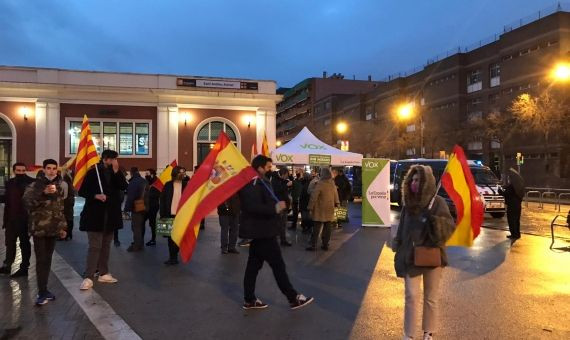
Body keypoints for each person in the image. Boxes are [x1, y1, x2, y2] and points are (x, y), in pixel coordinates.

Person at [239, 155, 314, 310]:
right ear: (259, 167)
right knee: (278, 265)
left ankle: (249, 299)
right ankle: (293, 298)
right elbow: (252, 206)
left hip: (262, 231)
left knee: (253, 267)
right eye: (267, 167)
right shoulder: (252, 182)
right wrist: (274, 208)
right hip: (263, 231)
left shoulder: (260, 181)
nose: (270, 169)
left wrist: (281, 204)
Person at [392, 165, 455, 340]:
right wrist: (398, 246)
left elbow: (448, 228)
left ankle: (428, 332)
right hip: (411, 257)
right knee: (411, 296)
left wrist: (433, 221)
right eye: (412, 179)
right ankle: (409, 334)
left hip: (432, 255)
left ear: (426, 182)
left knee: (430, 297)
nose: (414, 183)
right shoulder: (408, 205)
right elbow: (401, 229)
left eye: (418, 180)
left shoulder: (438, 203)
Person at [79, 150, 128, 291]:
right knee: (95, 247)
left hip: (111, 216)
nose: (115, 162)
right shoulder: (93, 172)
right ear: (106, 159)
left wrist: (117, 171)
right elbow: (82, 191)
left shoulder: (115, 172)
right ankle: (88, 275)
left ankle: (104, 272)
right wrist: (95, 196)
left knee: (106, 246)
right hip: (95, 216)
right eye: (113, 159)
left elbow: (124, 186)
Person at [22, 159, 67, 305]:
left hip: (53, 229)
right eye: (49, 168)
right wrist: (43, 193)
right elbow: (27, 203)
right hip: (40, 229)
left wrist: (62, 228)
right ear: (44, 169)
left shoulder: (59, 187)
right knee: (41, 260)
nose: (52, 171)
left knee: (47, 260)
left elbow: (60, 209)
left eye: (54, 168)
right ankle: (41, 292)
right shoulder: (34, 185)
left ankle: (45, 289)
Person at [0, 162, 35, 277]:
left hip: (25, 219)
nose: (21, 173)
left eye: (23, 170)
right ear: (14, 171)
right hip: (11, 219)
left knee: (24, 244)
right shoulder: (10, 183)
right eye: (18, 171)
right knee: (9, 243)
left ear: (26, 171)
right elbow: (7, 200)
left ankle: (24, 267)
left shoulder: (31, 182)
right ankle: (7, 265)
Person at [160, 166, 188, 265]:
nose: (183, 174)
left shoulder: (186, 185)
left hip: (181, 216)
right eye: (181, 172)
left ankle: (175, 255)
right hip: (170, 215)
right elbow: (162, 200)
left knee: (178, 237)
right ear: (175, 173)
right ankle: (172, 257)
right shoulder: (168, 185)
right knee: (170, 238)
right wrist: (162, 214)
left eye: (184, 173)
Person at [306, 168, 339, 251]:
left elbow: (314, 196)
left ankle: (313, 245)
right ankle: (325, 244)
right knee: (328, 228)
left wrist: (310, 207)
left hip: (320, 209)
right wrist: (337, 203)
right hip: (330, 208)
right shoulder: (332, 183)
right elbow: (336, 194)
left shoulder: (320, 183)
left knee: (316, 228)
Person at [124, 167, 148, 252]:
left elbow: (130, 197)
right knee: (142, 226)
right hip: (146, 207)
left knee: (136, 227)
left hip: (137, 207)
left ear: (131, 173)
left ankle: (136, 246)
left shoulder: (133, 182)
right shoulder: (144, 180)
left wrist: (126, 209)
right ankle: (140, 243)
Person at [499, 168, 525, 241]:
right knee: (516, 220)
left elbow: (506, 194)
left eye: (509, 178)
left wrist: (500, 191)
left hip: (512, 206)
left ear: (511, 179)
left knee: (511, 220)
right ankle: (517, 234)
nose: (508, 179)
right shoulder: (517, 187)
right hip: (517, 206)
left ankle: (513, 234)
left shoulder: (511, 186)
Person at [270, 168, 292, 246]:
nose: (286, 177)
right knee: (278, 222)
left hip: (284, 202)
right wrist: (286, 185)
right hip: (278, 203)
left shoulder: (283, 180)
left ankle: (283, 240)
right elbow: (276, 190)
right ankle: (274, 240)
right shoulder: (274, 179)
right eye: (286, 175)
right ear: (283, 174)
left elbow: (284, 190)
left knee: (283, 222)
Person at [143, 168, 160, 246]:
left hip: (153, 206)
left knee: (152, 223)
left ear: (152, 174)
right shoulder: (147, 182)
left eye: (147, 174)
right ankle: (140, 238)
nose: (146, 175)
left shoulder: (157, 183)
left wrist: (147, 194)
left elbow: (157, 194)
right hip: (146, 205)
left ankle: (153, 239)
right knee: (142, 222)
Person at [60, 168, 75, 241]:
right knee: (70, 218)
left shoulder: (64, 182)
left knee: (65, 219)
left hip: (66, 203)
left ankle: (65, 235)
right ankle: (69, 234)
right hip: (70, 202)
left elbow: (64, 195)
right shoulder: (70, 181)